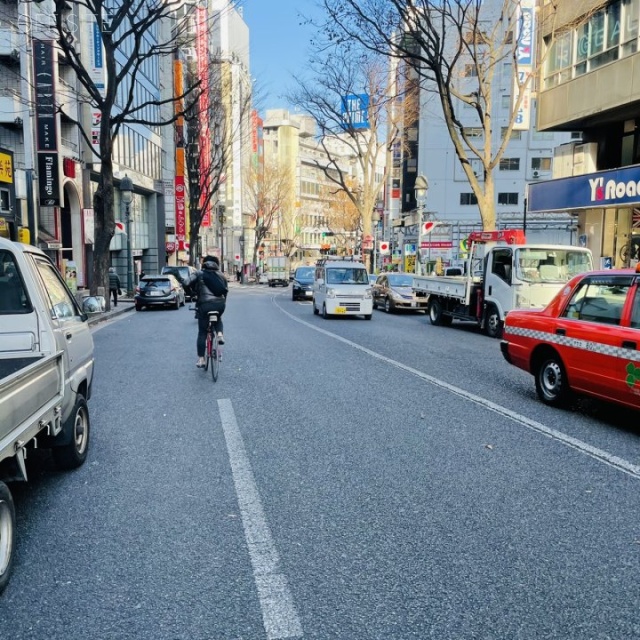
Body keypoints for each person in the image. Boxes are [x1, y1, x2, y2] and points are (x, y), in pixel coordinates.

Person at [195, 255, 228, 368]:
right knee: (218, 318)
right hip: (220, 304)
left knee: (202, 332)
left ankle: (201, 359)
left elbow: (191, 286)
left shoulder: (200, 274)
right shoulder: (221, 276)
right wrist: (223, 304)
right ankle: (219, 334)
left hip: (204, 305)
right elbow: (225, 291)